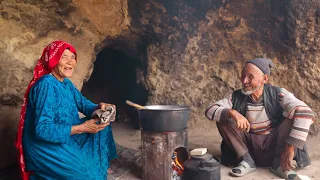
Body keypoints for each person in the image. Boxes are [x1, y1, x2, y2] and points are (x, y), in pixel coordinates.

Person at [15, 40, 117, 180]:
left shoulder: (66, 84)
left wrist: (101, 107)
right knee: (86, 175)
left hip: (67, 134)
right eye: (64, 57)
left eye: (72, 57)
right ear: (53, 60)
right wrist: (81, 128)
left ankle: (97, 164)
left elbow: (85, 105)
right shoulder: (46, 85)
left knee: (102, 123)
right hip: (44, 146)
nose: (70, 62)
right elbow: (42, 130)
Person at [205, 58, 315, 179]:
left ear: (265, 79)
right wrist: (232, 112)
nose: (244, 81)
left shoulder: (278, 94)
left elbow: (305, 112)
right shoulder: (235, 96)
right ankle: (247, 161)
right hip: (249, 148)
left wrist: (290, 148)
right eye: (243, 75)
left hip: (274, 147)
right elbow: (210, 110)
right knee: (223, 116)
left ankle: (279, 165)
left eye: (250, 77)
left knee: (293, 117)